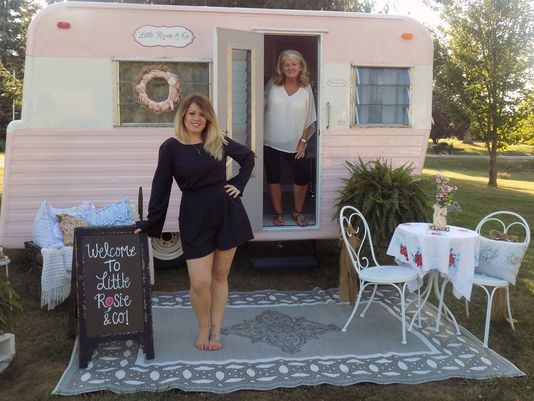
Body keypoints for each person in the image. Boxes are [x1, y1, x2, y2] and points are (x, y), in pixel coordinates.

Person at [135, 93, 255, 351]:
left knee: (220, 276)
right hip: (194, 216)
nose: (197, 118)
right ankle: (203, 328)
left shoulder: (217, 140)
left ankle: (216, 331)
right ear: (183, 116)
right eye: (192, 113)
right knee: (200, 283)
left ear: (208, 117)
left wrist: (238, 185)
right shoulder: (171, 147)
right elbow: (161, 187)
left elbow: (248, 157)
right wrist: (152, 222)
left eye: (202, 114)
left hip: (226, 212)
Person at [264, 49, 316, 227]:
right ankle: (278, 213)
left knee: (302, 176)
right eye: (287, 64)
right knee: (273, 177)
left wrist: (303, 142)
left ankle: (297, 212)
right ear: (281, 67)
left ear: (301, 66)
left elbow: (309, 116)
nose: (290, 67)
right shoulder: (273, 84)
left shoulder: (306, 88)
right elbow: (260, 107)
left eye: (294, 64)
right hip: (269, 140)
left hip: (295, 142)